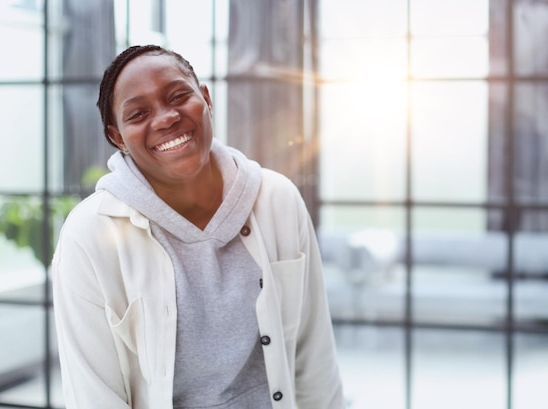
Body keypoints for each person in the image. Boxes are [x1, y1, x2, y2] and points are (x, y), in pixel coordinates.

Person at [51, 44, 344, 409]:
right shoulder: (88, 235)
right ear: (117, 137)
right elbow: (94, 396)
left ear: (205, 98)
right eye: (138, 113)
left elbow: (314, 357)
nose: (165, 118)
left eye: (178, 96)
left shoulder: (277, 199)